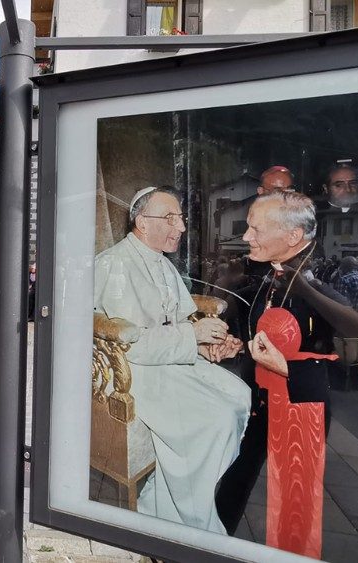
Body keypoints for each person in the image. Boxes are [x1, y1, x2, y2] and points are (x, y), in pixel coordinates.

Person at [215, 192, 358, 557]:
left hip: (301, 404)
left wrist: (305, 291)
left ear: (293, 236)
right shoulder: (267, 274)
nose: (246, 237)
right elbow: (254, 325)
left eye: (256, 229)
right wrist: (236, 343)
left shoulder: (322, 276)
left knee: (294, 505)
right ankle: (212, 545)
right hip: (259, 399)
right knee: (235, 479)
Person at [94, 186, 250, 534]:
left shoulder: (163, 264)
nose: (180, 227)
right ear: (142, 223)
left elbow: (179, 322)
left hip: (167, 360)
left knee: (240, 395)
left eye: (180, 218)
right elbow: (132, 344)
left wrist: (208, 347)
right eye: (170, 218)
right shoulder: (113, 265)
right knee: (219, 418)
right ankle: (187, 520)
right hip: (136, 372)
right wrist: (193, 336)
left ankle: (163, 503)